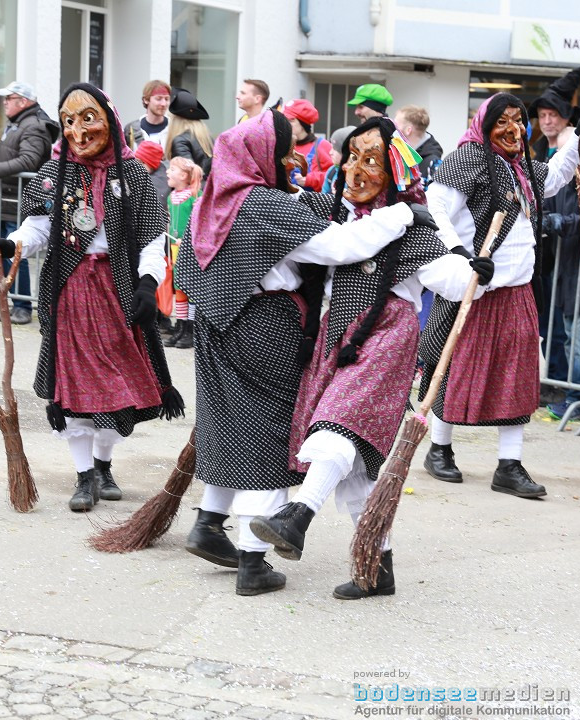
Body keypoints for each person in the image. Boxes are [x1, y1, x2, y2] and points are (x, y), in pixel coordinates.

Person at [175, 109, 422, 595]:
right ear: (258, 154)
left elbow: (187, 268)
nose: (291, 158)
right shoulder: (265, 204)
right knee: (269, 443)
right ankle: (252, 561)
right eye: (283, 149)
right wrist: (403, 213)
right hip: (265, 328)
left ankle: (210, 521)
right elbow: (343, 246)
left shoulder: (214, 200)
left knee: (230, 432)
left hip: (216, 326)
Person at [249, 117, 487, 599]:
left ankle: (299, 516)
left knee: (337, 425)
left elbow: (456, 283)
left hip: (385, 339)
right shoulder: (335, 215)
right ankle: (378, 569)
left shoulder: (414, 227)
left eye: (372, 161)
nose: (357, 170)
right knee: (355, 472)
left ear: (394, 171)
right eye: (353, 157)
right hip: (337, 337)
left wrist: (472, 268)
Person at [0, 83, 182, 513]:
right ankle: (83, 476)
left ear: (110, 120)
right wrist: (9, 244)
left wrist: (149, 283)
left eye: (88, 118)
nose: (78, 129)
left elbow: (153, 236)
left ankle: (103, 462)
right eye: (70, 120)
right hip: (70, 290)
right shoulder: (52, 174)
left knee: (117, 382)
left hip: (118, 289)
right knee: (72, 385)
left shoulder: (131, 173)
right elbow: (38, 229)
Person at [418, 93, 580, 497]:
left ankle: (509, 465)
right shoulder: (468, 158)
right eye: (503, 121)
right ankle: (439, 450)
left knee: (517, 375)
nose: (514, 129)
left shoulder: (520, 168)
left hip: (517, 289)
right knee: (456, 369)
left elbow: (554, 177)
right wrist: (459, 253)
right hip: (475, 287)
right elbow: (436, 205)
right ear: (484, 124)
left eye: (519, 121)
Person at [0, 81, 58, 326]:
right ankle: (14, 303)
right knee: (8, 250)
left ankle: (22, 305)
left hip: (21, 198)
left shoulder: (34, 127)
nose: (5, 103)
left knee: (17, 250)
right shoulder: (19, 124)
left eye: (9, 98)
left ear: (23, 101)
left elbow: (29, 161)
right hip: (7, 197)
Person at [528, 65, 580, 415]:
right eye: (543, 115)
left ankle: (566, 394)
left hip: (571, 256)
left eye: (554, 115)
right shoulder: (535, 152)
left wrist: (555, 221)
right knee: (545, 327)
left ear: (567, 118)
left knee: (565, 332)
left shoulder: (578, 156)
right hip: (542, 256)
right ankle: (547, 387)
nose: (547, 121)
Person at [163, 156, 202, 350]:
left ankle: (192, 328)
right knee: (179, 286)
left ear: (184, 175)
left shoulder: (195, 195)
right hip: (175, 248)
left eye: (172, 169)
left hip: (190, 249)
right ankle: (181, 325)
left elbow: (199, 223)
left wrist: (187, 239)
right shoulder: (171, 197)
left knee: (191, 287)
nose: (167, 172)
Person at [282, 99, 333, 192]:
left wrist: (310, 180)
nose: (286, 124)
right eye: (285, 120)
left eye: (291, 121)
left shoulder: (322, 146)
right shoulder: (283, 145)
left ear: (303, 123)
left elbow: (334, 175)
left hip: (312, 204)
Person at [164, 88, 213, 177]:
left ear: (175, 119)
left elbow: (188, 175)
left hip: (194, 189)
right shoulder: (207, 138)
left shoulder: (180, 141)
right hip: (210, 188)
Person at [392, 105, 443, 184]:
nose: (392, 130)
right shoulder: (400, 153)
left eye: (395, 126)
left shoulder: (432, 163)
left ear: (408, 130)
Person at [122, 80, 170, 149]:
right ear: (146, 100)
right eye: (158, 99)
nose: (163, 104)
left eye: (166, 99)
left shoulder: (174, 129)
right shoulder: (131, 129)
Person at [322, 126, 354, 193]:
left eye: (335, 149)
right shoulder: (332, 171)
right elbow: (323, 196)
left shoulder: (359, 176)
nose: (330, 152)